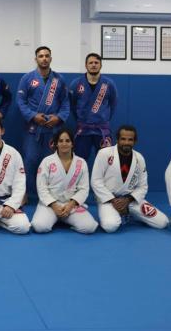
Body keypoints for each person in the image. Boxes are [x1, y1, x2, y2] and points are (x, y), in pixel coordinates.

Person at [91, 125, 168, 232]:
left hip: (130, 199)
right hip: (108, 199)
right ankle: (120, 213)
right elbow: (96, 181)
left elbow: (143, 186)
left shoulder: (139, 158)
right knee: (110, 226)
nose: (126, 142)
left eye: (130, 139)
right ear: (117, 140)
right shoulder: (104, 154)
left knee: (162, 222)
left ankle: (131, 213)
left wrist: (127, 200)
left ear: (135, 141)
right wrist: (113, 200)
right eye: (123, 139)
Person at [17, 46, 70, 197]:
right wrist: (33, 116)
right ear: (36, 59)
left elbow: (65, 103)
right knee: (30, 160)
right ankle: (25, 193)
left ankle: (52, 193)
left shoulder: (59, 80)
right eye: (41, 56)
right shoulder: (27, 78)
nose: (44, 58)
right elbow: (20, 101)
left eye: (47, 56)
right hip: (33, 128)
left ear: (51, 58)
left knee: (52, 162)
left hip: (52, 129)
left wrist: (59, 117)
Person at [31, 128, 98, 234]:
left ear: (72, 143)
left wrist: (71, 205)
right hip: (50, 204)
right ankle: (56, 218)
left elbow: (84, 189)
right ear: (56, 144)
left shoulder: (81, 163)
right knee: (39, 226)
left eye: (67, 141)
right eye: (61, 141)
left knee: (90, 227)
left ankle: (64, 219)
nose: (64, 144)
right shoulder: (47, 162)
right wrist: (54, 205)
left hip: (71, 205)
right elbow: (41, 187)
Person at [69, 53, 118, 166]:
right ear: (86, 65)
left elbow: (113, 104)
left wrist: (104, 118)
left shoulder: (109, 84)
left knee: (106, 163)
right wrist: (81, 119)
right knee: (79, 162)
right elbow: (72, 104)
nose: (93, 65)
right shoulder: (76, 83)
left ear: (101, 65)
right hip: (83, 129)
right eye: (90, 63)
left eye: (96, 62)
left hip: (102, 130)